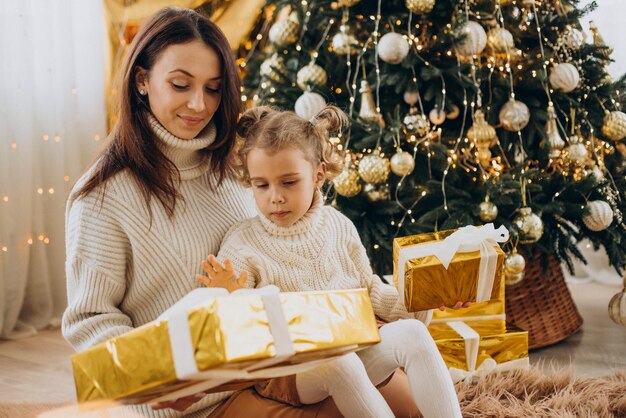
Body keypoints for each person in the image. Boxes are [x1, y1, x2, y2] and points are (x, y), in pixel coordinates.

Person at [62, 7, 417, 418]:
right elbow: (91, 321)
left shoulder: (239, 166)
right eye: (180, 84)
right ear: (142, 80)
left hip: (284, 366)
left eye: (213, 89)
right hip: (201, 402)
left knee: (409, 397)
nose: (199, 104)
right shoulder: (102, 197)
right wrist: (152, 380)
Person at [198, 105, 464, 418]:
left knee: (414, 334)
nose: (275, 197)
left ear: (318, 175)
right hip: (292, 369)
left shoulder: (339, 226)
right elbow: (239, 332)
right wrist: (232, 296)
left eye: (289, 182)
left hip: (353, 344)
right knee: (341, 362)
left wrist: (426, 297)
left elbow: (370, 293)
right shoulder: (243, 244)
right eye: (262, 185)